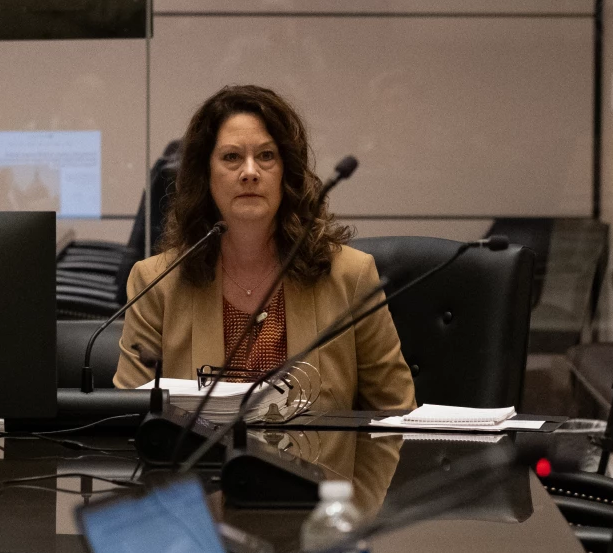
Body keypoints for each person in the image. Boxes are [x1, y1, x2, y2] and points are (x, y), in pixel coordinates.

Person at [113, 85, 415, 413]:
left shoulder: (351, 277)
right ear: (205, 174)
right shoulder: (157, 282)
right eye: (231, 157)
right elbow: (129, 419)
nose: (250, 172)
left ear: (287, 171)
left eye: (266, 156)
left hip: (320, 465)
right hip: (198, 465)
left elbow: (394, 418)